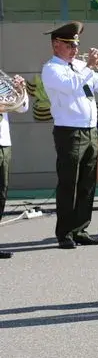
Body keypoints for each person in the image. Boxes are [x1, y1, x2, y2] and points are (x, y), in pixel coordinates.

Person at [41, 21, 98, 249]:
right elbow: (72, 86)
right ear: (56, 45)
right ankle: (65, 232)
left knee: (87, 183)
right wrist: (89, 67)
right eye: (70, 44)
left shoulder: (81, 66)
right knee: (68, 183)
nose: (75, 49)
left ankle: (81, 228)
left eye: (76, 45)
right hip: (69, 131)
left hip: (90, 129)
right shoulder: (51, 69)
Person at [0, 73, 29, 258]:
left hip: (3, 143)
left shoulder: (1, 82)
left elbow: (21, 108)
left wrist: (20, 90)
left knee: (1, 193)